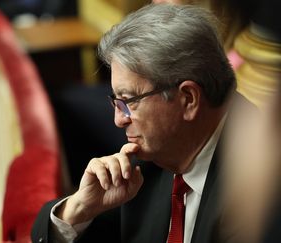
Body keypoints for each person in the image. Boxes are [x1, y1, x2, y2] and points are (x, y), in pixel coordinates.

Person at [32, 3, 242, 243]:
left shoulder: (259, 186)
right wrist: (80, 207)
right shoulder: (145, 167)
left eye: (129, 101)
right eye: (116, 102)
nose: (119, 120)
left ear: (188, 99)